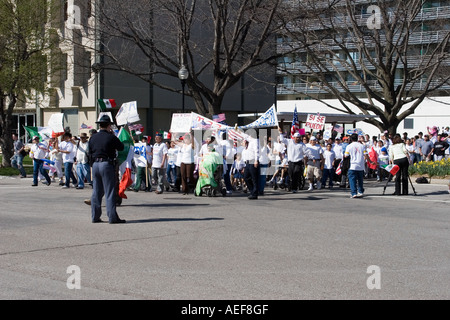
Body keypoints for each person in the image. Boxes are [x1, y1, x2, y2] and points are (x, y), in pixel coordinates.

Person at [88, 115, 125, 224]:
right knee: (109, 191)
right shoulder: (110, 137)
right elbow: (121, 147)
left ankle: (95, 216)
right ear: (109, 125)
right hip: (106, 164)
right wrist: (113, 135)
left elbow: (89, 152)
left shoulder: (93, 137)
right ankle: (112, 217)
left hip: (95, 164)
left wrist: (92, 164)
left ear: (100, 125)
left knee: (96, 192)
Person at [278, 128, 308, 193]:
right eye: (296, 137)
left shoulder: (302, 145)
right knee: (290, 174)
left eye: (298, 138)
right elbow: (282, 139)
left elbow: (305, 153)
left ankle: (294, 188)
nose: (297, 139)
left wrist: (305, 161)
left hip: (298, 162)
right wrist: (280, 133)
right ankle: (289, 186)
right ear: (294, 137)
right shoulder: (289, 141)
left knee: (296, 174)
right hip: (291, 162)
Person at [344, 133, 371, 198]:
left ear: (351, 139)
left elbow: (346, 155)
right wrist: (370, 161)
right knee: (360, 179)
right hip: (360, 165)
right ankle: (360, 191)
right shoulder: (361, 146)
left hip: (352, 165)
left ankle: (354, 193)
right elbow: (366, 155)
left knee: (352, 179)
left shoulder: (349, 146)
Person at [241, 132, 260, 199]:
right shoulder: (251, 140)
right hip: (248, 162)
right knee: (246, 177)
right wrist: (238, 131)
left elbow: (256, 151)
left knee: (254, 178)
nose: (249, 135)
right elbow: (245, 136)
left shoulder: (255, 141)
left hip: (253, 161)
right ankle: (252, 191)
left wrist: (256, 160)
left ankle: (254, 194)